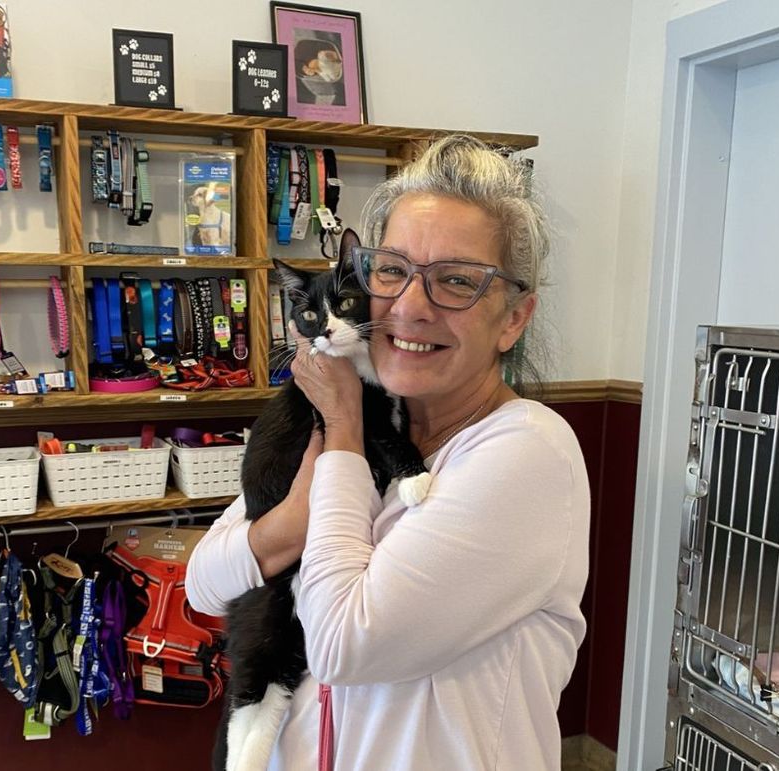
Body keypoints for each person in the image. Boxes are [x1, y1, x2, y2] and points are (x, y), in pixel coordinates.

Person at [187, 135, 590, 770]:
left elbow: (342, 644)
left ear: (513, 318)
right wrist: (293, 521)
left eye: (457, 281)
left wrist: (344, 427)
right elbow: (204, 584)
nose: (410, 307)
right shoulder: (366, 429)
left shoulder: (524, 454)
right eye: (393, 270)